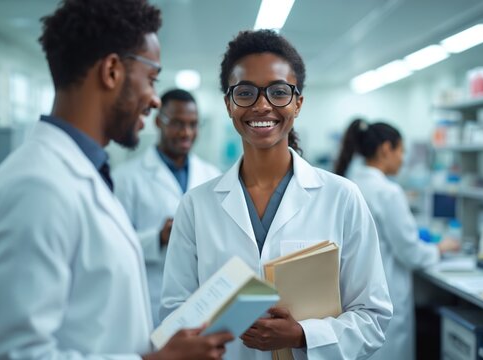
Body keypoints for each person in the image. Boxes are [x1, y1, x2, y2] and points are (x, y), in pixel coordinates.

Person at [0, 0, 233, 359]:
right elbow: (14, 353)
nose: (154, 99)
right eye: (151, 79)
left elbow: (96, 324)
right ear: (111, 71)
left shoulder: (80, 174)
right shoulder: (36, 188)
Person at [160, 29, 392, 360]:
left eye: (279, 92)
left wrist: (302, 335)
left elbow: (373, 317)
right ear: (228, 104)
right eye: (245, 93)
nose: (262, 105)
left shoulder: (342, 197)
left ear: (298, 103)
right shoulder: (197, 205)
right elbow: (173, 317)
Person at [335, 119, 460, 360]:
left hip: (352, 293)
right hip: (385, 293)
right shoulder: (387, 191)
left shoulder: (349, 184)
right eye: (401, 150)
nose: (403, 158)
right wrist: (439, 249)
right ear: (385, 149)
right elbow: (410, 252)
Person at [113, 88, 221, 325]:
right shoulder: (126, 178)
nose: (186, 132)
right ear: (158, 122)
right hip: (152, 299)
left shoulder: (212, 175)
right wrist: (158, 238)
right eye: (177, 123)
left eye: (193, 124)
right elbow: (113, 247)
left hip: (204, 299)